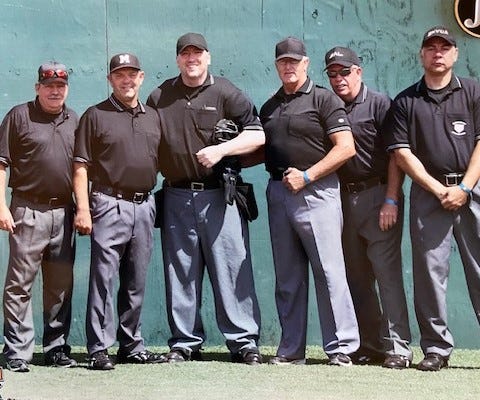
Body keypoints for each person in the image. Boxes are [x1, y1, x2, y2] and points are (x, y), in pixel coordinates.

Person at [146, 32, 264, 365]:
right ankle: (185, 342)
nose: (192, 59)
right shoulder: (160, 96)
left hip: (219, 195)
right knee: (180, 271)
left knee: (232, 269)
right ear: (177, 60)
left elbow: (258, 134)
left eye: (197, 53)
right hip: (176, 195)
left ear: (208, 57)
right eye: (185, 54)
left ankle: (243, 341)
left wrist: (222, 150)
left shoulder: (225, 91)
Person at [259, 37, 360, 366]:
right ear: (277, 66)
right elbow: (265, 150)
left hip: (316, 191)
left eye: (294, 61)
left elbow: (345, 147)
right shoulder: (269, 106)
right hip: (279, 192)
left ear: (305, 64)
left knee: (329, 272)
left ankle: (341, 347)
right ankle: (291, 350)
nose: (288, 66)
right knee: (287, 276)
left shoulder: (324, 99)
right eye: (283, 61)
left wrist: (307, 175)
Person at [386, 26, 480, 371]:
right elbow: (402, 154)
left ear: (455, 53)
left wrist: (464, 188)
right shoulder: (405, 101)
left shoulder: (474, 91)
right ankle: (436, 349)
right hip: (429, 195)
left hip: (473, 191)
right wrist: (439, 190)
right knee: (429, 274)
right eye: (431, 47)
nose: (437, 53)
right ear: (422, 55)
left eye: (444, 47)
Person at [73, 53, 164, 370]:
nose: (127, 80)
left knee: (136, 280)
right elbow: (80, 166)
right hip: (108, 203)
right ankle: (98, 348)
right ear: (110, 79)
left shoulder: (153, 117)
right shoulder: (95, 115)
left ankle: (131, 345)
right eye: (120, 75)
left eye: (132, 74)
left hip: (145, 204)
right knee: (104, 279)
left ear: (141, 77)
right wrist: (83, 209)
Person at [324, 46, 412, 368]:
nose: (339, 79)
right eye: (333, 74)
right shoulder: (329, 105)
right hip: (342, 200)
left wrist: (391, 199)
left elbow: (396, 155)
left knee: (386, 275)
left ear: (358, 72)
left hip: (378, 196)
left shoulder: (379, 103)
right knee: (357, 278)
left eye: (345, 72)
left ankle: (399, 348)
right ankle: (371, 345)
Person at [0, 62, 78, 372]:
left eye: (60, 86)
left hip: (65, 211)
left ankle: (56, 349)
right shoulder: (19, 116)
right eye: (48, 86)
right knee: (19, 284)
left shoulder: (75, 120)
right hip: (27, 209)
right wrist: (1, 206)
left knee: (60, 285)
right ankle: (17, 351)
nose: (54, 91)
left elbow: (82, 168)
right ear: (37, 88)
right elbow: (1, 163)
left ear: (66, 89)